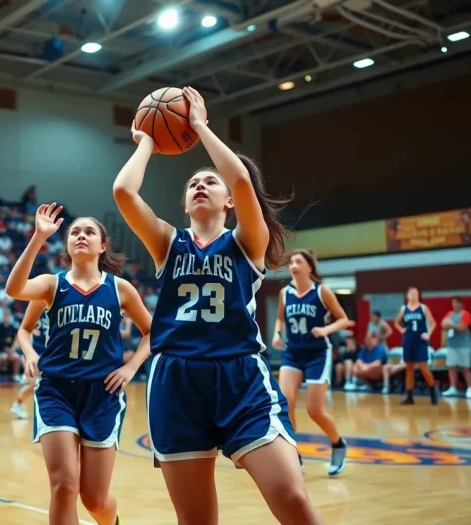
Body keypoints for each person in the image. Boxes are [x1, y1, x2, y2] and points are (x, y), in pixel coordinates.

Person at [113, 86, 320, 524]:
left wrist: (199, 126)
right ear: (185, 203)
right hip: (176, 380)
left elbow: (243, 180)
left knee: (293, 500)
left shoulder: (248, 242)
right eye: (192, 183)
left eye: (209, 181)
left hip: (239, 375)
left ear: (229, 203)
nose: (200, 184)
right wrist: (148, 139)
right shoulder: (169, 242)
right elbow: (124, 193)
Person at [5, 207, 153, 525]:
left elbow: (152, 333)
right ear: (68, 245)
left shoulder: (120, 288)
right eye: (74, 232)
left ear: (102, 246)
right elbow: (16, 296)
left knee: (95, 499)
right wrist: (30, 353)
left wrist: (130, 369)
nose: (80, 235)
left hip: (103, 394)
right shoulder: (51, 285)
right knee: (63, 486)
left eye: (88, 232)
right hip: (55, 390)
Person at [272, 249, 351, 476]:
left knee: (314, 410)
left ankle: (338, 444)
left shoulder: (321, 291)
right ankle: (294, 455)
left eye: (298, 261)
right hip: (293, 353)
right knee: (285, 404)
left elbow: (344, 319)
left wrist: (325, 329)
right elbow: (280, 318)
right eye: (291, 262)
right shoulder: (284, 293)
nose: (293, 265)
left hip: (318, 353)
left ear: (310, 267)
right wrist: (277, 334)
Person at [394, 286, 438, 405]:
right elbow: (396, 322)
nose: (414, 295)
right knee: (409, 368)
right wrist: (401, 330)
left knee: (423, 367)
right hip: (408, 340)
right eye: (412, 293)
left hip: (421, 341)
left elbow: (433, 323)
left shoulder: (423, 308)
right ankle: (409, 397)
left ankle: (433, 390)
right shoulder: (403, 309)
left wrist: (428, 334)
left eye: (416, 293)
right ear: (407, 296)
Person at [10, 300, 48, 419]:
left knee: (41, 385)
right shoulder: (36, 314)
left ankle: (20, 405)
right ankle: (17, 405)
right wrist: (17, 349)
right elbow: (24, 331)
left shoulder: (52, 313)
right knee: (34, 384)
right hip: (31, 355)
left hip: (45, 355)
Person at [441, 296, 471, 398]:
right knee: (451, 366)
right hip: (451, 345)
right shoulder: (449, 314)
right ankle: (452, 387)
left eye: (455, 303)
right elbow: (443, 324)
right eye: (452, 303)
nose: (453, 305)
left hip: (463, 345)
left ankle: (470, 388)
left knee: (465, 368)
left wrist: (451, 324)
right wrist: (451, 324)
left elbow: (462, 328)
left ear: (460, 304)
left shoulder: (465, 314)